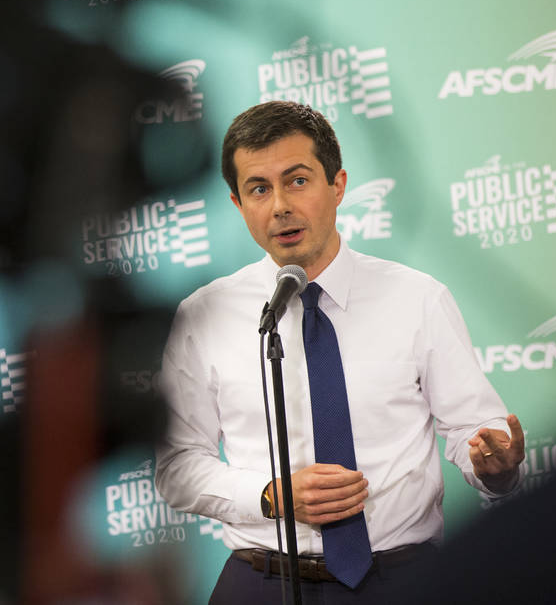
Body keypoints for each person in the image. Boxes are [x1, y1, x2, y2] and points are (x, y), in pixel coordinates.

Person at [154, 101, 527, 604]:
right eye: (259, 189)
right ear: (239, 206)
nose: (280, 205)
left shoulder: (418, 298)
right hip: (259, 582)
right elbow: (176, 467)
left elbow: (472, 432)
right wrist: (273, 496)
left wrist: (492, 467)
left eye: (298, 180)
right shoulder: (205, 314)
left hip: (401, 580)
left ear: (338, 185)